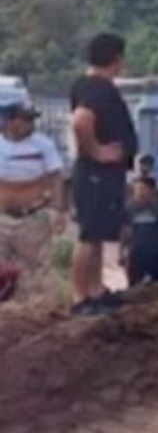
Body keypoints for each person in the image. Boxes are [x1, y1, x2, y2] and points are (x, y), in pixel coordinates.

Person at [69, 32, 138, 316]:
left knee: (98, 233)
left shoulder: (93, 85)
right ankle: (80, 295)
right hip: (95, 171)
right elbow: (80, 121)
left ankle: (96, 290)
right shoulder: (97, 86)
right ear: (117, 58)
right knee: (88, 235)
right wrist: (96, 150)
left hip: (106, 173)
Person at [0, 102, 67, 301]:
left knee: (34, 271)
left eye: (31, 120)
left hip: (32, 218)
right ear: (10, 121)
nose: (30, 125)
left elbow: (56, 177)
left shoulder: (43, 145)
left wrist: (59, 210)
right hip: (2, 218)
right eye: (25, 120)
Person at [120, 176, 158, 287]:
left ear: (152, 191)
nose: (139, 193)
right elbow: (124, 232)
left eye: (142, 189)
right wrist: (121, 253)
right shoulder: (129, 208)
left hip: (157, 253)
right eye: (136, 189)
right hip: (136, 253)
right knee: (134, 285)